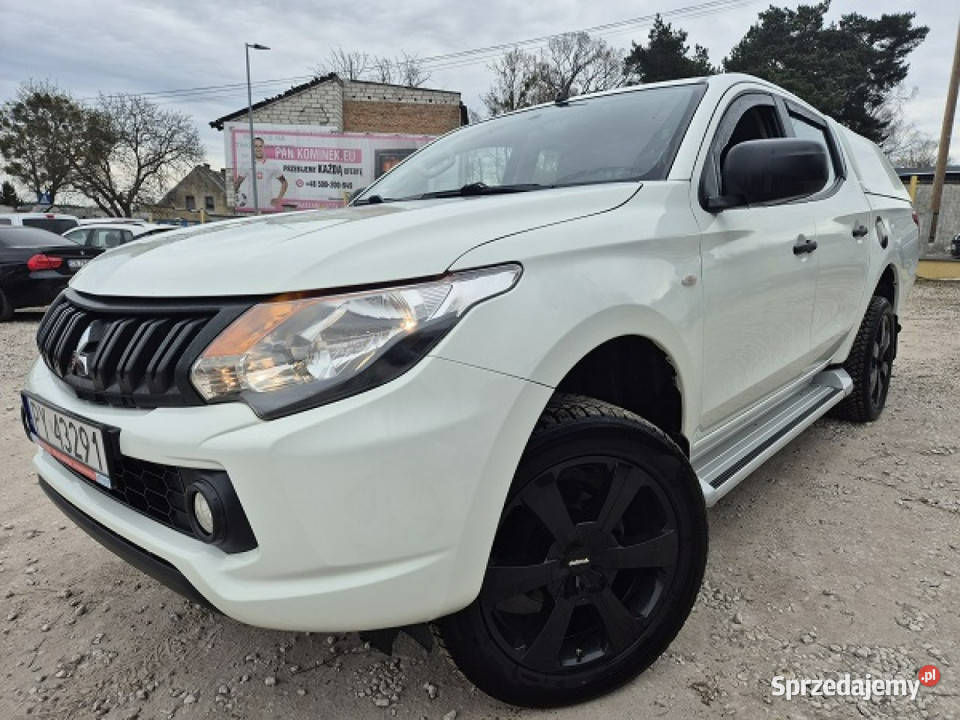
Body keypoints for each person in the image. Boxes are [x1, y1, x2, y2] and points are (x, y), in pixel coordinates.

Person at [234, 137, 288, 210]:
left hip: (267, 206)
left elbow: (284, 182)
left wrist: (278, 199)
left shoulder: (271, 165)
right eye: (255, 146)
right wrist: (235, 198)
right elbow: (237, 183)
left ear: (263, 147)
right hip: (252, 206)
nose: (258, 149)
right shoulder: (246, 164)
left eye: (260, 146)